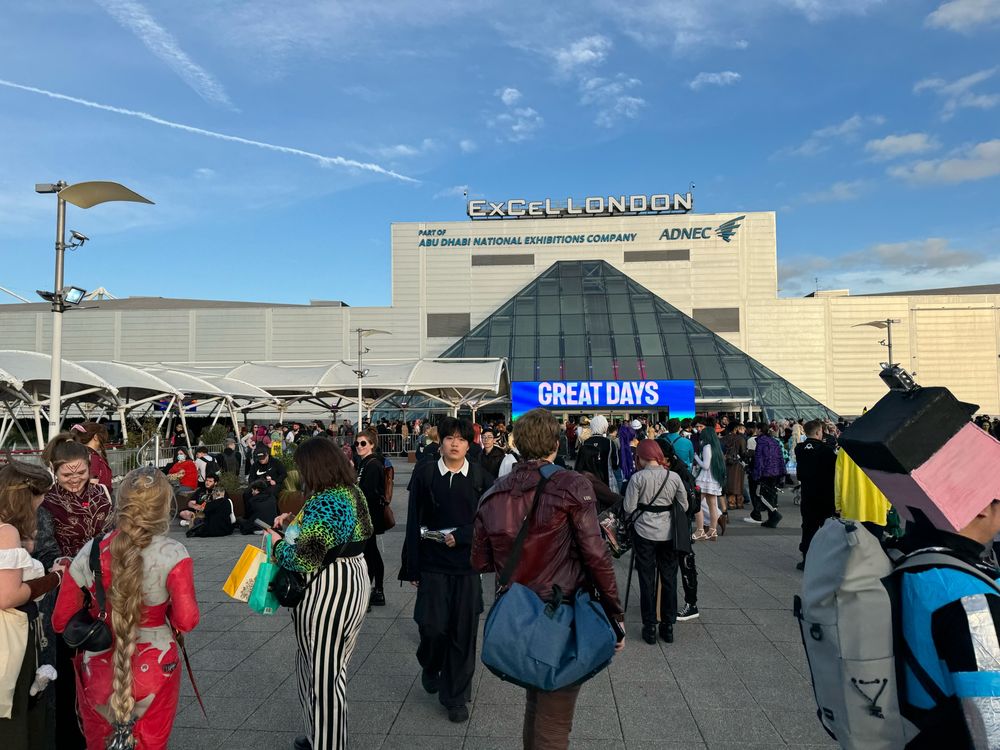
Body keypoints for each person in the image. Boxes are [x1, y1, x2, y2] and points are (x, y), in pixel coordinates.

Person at [472, 408, 624, 749]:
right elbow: (596, 555)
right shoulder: (572, 485)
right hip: (561, 610)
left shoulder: (494, 492)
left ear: (517, 444)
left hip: (519, 611)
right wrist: (615, 614)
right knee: (555, 718)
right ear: (556, 443)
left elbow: (480, 561)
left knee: (537, 700)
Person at [52, 468, 199, 750]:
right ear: (164, 507)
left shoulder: (90, 550)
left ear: (121, 503)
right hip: (156, 665)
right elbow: (187, 620)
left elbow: (61, 622)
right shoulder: (174, 553)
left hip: (98, 666)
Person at [267, 438, 373, 750]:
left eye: (301, 466)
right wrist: (291, 526)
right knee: (324, 665)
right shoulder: (351, 491)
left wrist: (277, 544)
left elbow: (304, 557)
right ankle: (318, 735)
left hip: (329, 588)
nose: (299, 472)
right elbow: (348, 534)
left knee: (324, 675)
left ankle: (326, 743)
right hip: (351, 577)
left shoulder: (328, 501)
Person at [399, 417, 490, 724]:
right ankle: (430, 662)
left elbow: (488, 521)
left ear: (469, 444)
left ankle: (455, 696)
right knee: (432, 627)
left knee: (464, 634)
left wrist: (463, 536)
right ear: (440, 441)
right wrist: (411, 565)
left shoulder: (479, 477)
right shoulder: (426, 473)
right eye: (449, 438)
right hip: (432, 564)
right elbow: (413, 519)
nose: (454, 443)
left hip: (466, 567)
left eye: (461, 439)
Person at [40, 433, 114, 749]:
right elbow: (44, 549)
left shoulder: (104, 495)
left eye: (80, 472)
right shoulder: (47, 503)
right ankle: (72, 735)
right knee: (69, 665)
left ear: (89, 465)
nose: (74, 479)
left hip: (103, 590)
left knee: (104, 661)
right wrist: (64, 562)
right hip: (67, 594)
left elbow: (114, 534)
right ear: (55, 472)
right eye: (67, 474)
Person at [0, 460, 66, 750]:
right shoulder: (6, 532)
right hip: (10, 635)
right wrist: (54, 578)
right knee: (13, 714)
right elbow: (7, 595)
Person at [624, 440, 689, 644]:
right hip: (669, 533)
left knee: (646, 579)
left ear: (642, 456)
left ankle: (650, 626)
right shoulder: (674, 476)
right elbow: (684, 505)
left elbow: (628, 507)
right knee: (669, 578)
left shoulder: (637, 478)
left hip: (644, 532)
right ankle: (667, 626)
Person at [794, 419, 837, 570]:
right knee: (826, 528)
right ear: (819, 432)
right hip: (825, 494)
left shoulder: (799, 449)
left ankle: (806, 560)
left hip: (807, 494)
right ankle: (826, 560)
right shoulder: (826, 450)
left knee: (808, 527)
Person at [354, 429, 388, 608]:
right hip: (366, 516)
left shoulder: (372, 464)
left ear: (372, 445)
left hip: (369, 516)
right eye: (357, 443)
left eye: (363, 443)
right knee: (371, 553)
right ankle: (377, 590)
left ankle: (373, 591)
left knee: (369, 554)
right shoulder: (364, 463)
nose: (359, 446)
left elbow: (369, 493)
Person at [691, 418, 727, 541]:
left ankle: (700, 530)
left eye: (701, 428)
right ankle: (713, 530)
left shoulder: (706, 446)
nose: (699, 431)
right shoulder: (716, 446)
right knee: (712, 505)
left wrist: (696, 457)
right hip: (714, 480)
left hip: (704, 479)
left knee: (696, 505)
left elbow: (705, 465)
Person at [747, 427, 785, 529]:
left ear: (759, 430)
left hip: (765, 472)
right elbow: (780, 457)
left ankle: (774, 514)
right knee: (770, 494)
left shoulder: (761, 442)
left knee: (761, 495)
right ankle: (771, 518)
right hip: (775, 472)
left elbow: (759, 460)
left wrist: (756, 474)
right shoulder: (774, 441)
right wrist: (782, 472)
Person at [180, 474, 235, 538]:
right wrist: (197, 507)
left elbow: (222, 504)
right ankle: (193, 521)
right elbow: (190, 503)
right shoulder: (201, 490)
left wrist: (205, 509)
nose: (207, 483)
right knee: (183, 513)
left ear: (215, 483)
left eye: (210, 481)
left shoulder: (219, 491)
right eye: (206, 480)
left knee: (204, 518)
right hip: (199, 511)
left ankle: (191, 522)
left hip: (210, 513)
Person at [579, 415, 618, 492]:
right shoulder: (609, 443)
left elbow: (580, 464)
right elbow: (615, 464)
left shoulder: (585, 443)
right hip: (606, 482)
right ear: (605, 427)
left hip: (589, 482)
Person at [71, 422, 113, 490]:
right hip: (98, 499)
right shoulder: (93, 458)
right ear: (95, 437)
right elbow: (92, 489)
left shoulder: (76, 455)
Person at [720, 423, 748, 512]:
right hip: (738, 464)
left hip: (726, 463)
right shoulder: (740, 439)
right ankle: (739, 503)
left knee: (729, 483)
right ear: (736, 429)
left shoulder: (722, 439)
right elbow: (743, 453)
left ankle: (731, 502)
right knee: (738, 483)